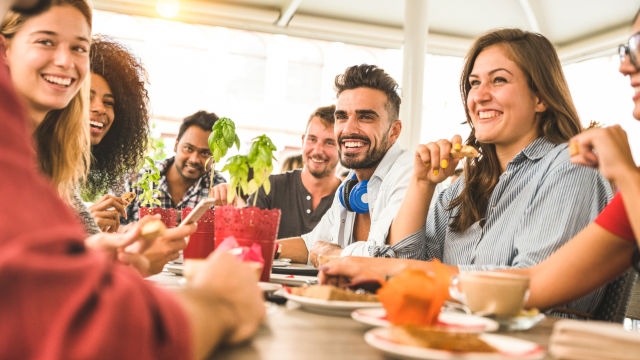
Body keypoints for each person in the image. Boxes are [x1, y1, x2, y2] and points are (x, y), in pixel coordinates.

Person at [0, 1, 264, 358]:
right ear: (5, 48)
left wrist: (107, 256)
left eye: (79, 47)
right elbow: (96, 335)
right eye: (45, 41)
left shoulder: (49, 168)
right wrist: (220, 303)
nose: (66, 61)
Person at [321, 29, 614, 317]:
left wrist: (379, 267)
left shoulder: (571, 167)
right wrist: (422, 183)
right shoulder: (463, 186)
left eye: (499, 80)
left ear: (541, 97)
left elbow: (529, 287)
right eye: (474, 83)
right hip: (452, 337)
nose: (479, 96)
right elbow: (406, 261)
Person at [277, 64, 413, 264]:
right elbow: (312, 246)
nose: (348, 129)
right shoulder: (351, 182)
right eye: (341, 117)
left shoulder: (409, 173)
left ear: (394, 131)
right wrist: (257, 248)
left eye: (365, 117)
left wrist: (335, 254)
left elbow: (386, 257)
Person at [84, 35, 151, 233]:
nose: (100, 108)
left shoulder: (80, 170)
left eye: (109, 102)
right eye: (88, 97)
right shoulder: (37, 159)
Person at [248, 105, 341, 239]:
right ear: (303, 141)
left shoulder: (347, 198)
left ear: (342, 148)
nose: (318, 150)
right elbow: (246, 238)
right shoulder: (271, 187)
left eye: (329, 142)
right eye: (312, 139)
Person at [123, 110, 227, 224]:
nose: (194, 159)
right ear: (176, 145)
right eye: (188, 148)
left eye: (205, 153)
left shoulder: (217, 186)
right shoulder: (138, 179)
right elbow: (110, 227)